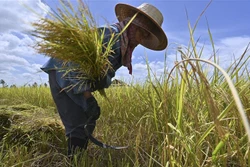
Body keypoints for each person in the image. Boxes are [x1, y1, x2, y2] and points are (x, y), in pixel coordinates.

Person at [41, 3, 168, 156]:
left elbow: (100, 73)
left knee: (86, 121)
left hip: (69, 76)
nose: (142, 40)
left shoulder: (122, 45)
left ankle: (77, 157)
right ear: (134, 25)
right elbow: (75, 63)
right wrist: (87, 98)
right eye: (143, 33)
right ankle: (74, 160)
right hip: (64, 73)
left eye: (147, 36)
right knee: (78, 122)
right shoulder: (110, 35)